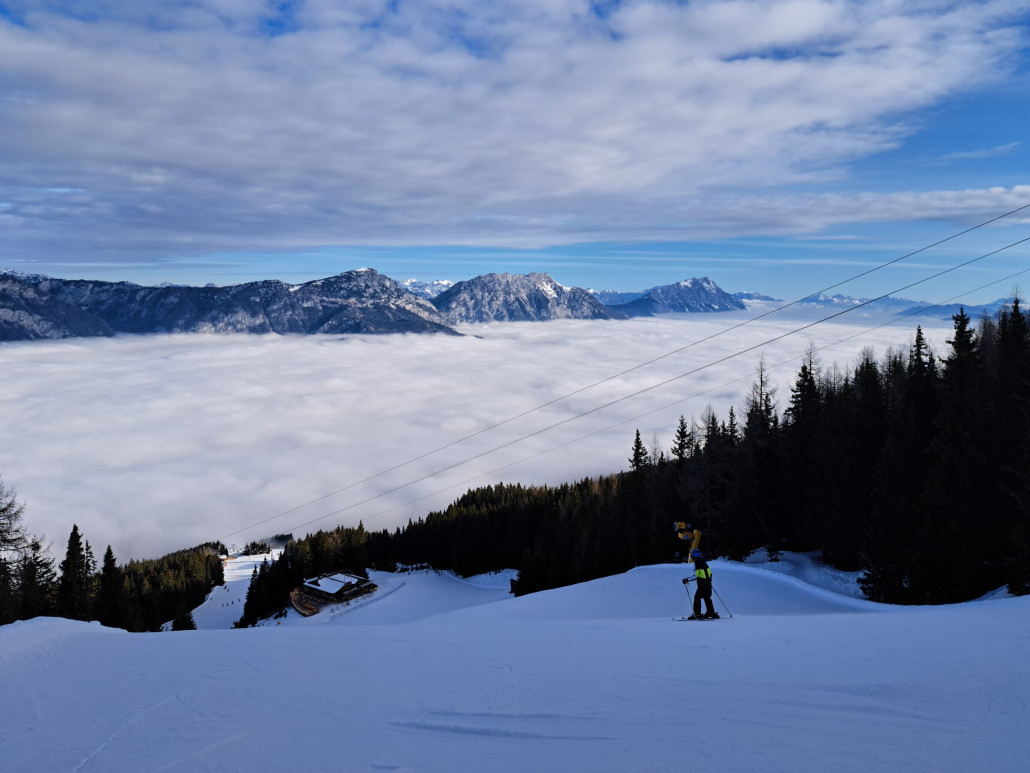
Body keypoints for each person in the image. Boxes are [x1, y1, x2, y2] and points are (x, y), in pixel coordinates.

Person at [682, 548, 718, 619]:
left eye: (692, 555)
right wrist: (708, 581)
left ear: (694, 555)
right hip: (708, 584)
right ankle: (711, 612)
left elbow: (696, 575)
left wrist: (687, 580)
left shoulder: (697, 563)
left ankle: (697, 614)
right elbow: (710, 574)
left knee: (697, 598)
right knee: (707, 598)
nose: (692, 556)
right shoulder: (704, 562)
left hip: (702, 586)